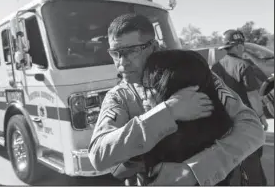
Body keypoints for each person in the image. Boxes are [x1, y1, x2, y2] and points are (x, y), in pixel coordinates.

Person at [88, 14, 265, 186]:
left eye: (131, 51)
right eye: (115, 53)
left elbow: (252, 127)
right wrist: (168, 111)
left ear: (154, 46)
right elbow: (99, 155)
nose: (122, 62)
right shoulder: (119, 96)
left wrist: (195, 171)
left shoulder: (192, 75)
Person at [111, 49, 235, 186]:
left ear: (166, 89)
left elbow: (118, 170)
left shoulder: (153, 137)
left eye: (147, 86)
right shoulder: (225, 125)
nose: (143, 96)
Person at [212, 29, 268, 185]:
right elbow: (253, 96)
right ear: (237, 46)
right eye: (242, 44)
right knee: (252, 163)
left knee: (232, 164)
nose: (243, 47)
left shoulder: (216, 67)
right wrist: (262, 117)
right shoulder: (244, 66)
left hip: (224, 123)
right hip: (246, 121)